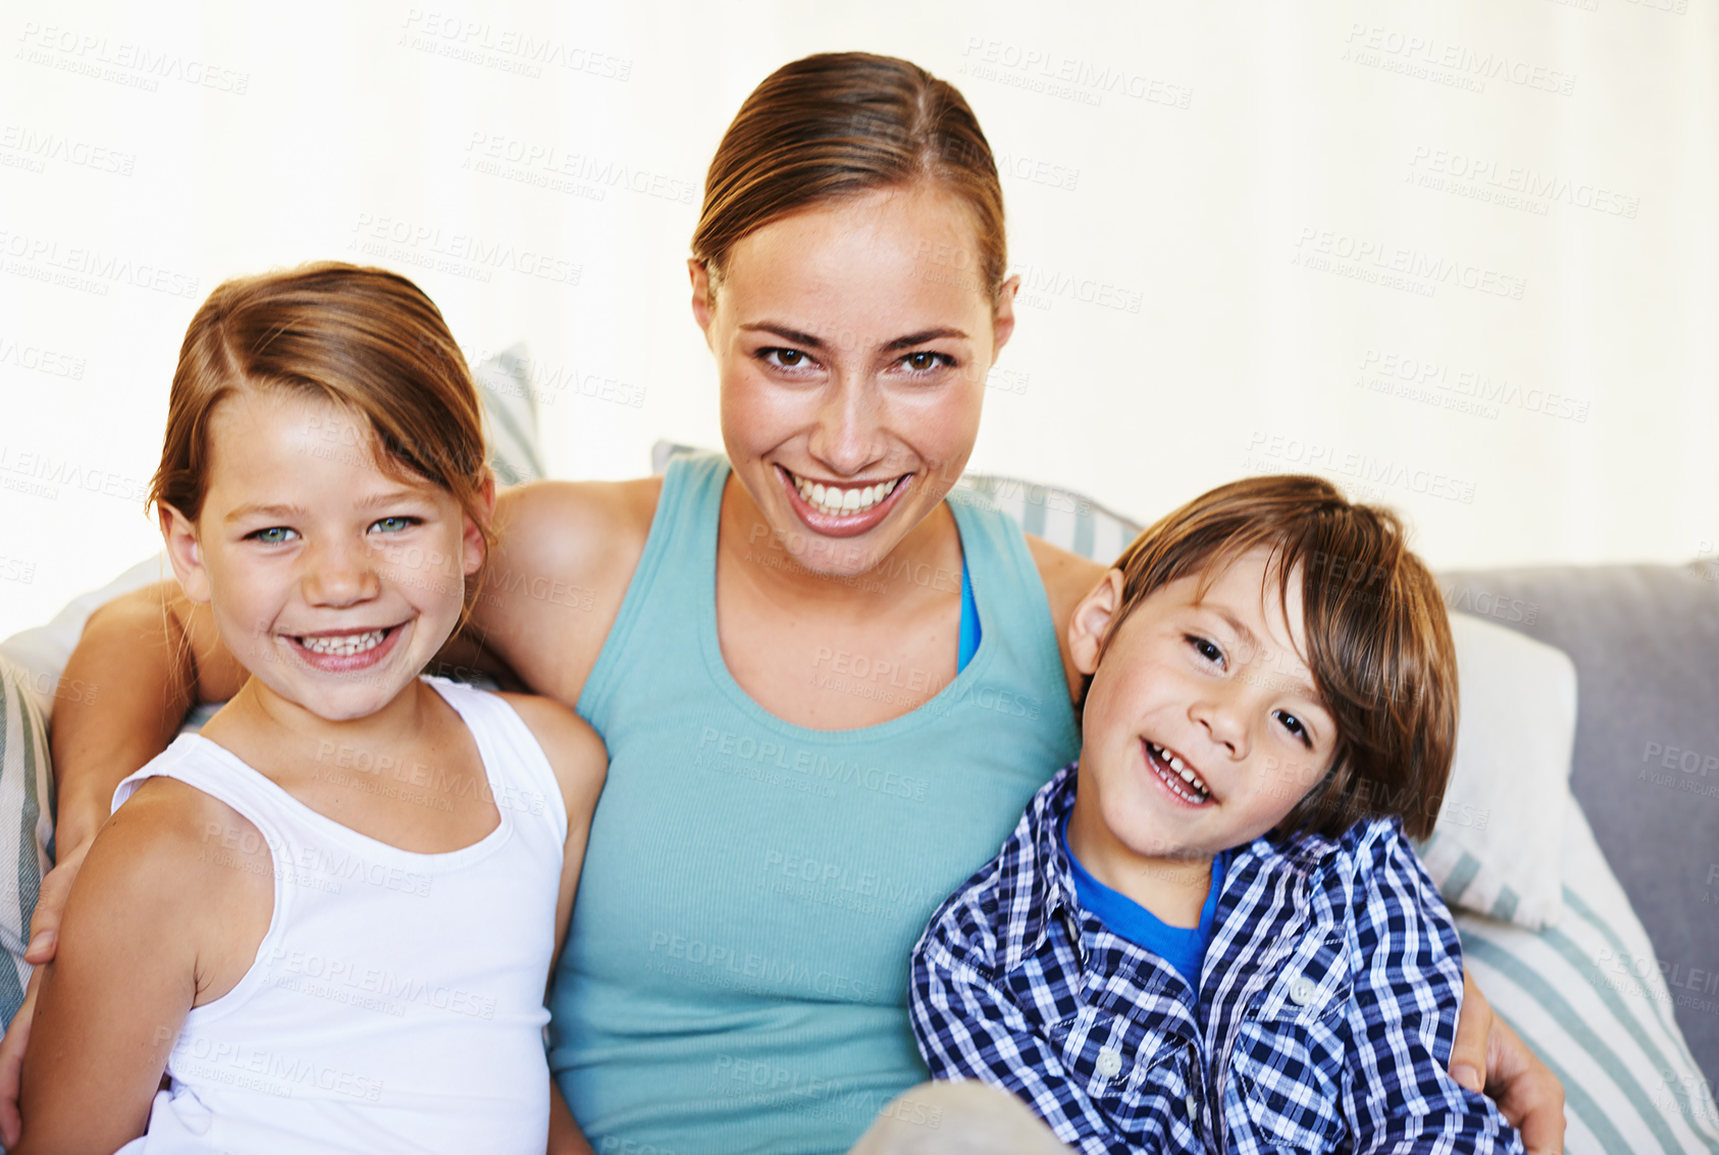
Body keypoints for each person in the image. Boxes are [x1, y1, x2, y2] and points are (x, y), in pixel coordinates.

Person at [0, 53, 1564, 1154]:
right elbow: (150, 629)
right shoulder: (565, 565)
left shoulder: (1092, 629)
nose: (846, 440)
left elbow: (1295, 756)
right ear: (704, 305)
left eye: (922, 361)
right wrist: (84, 850)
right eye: (788, 353)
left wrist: (1443, 997)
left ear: (1002, 331)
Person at [10, 264, 606, 1153]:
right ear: (190, 549)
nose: (341, 582)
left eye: (395, 521)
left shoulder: (551, 771)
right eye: (274, 533)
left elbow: (500, 1060)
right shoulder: (170, 849)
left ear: (474, 523)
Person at [910, 475, 1523, 1153]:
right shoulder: (973, 962)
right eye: (1208, 649)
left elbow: (1429, 1121)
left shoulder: (1360, 883)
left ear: (1316, 786)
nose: (1229, 721)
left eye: (1293, 722)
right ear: (1098, 625)